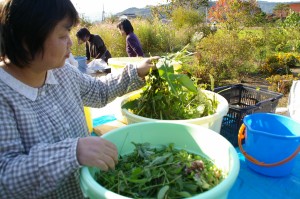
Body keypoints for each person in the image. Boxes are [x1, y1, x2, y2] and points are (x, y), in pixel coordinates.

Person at [0, 0, 157, 198]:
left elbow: (99, 91)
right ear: (27, 39)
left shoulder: (63, 72)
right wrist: (71, 153)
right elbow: (5, 177)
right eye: (63, 35)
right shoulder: (4, 94)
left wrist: (137, 71)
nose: (71, 43)